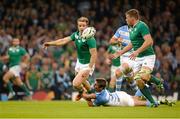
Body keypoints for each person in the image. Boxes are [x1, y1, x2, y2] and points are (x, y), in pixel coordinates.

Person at [111, 9, 163, 107]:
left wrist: (137, 51)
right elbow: (132, 44)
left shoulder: (142, 26)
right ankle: (153, 102)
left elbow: (149, 41)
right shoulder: (132, 28)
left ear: (132, 18)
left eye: (127, 18)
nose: (126, 20)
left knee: (143, 76)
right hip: (138, 58)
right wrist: (120, 52)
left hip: (147, 56)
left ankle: (158, 81)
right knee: (139, 81)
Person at [43, 17, 97, 100]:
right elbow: (63, 40)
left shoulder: (90, 38)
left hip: (87, 64)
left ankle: (83, 93)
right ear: (77, 26)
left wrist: (89, 68)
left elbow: (94, 54)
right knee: (81, 81)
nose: (81, 27)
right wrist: (50, 43)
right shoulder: (76, 35)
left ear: (87, 26)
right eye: (80, 25)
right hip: (79, 62)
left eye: (83, 25)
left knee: (75, 84)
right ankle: (90, 93)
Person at [82, 78, 171, 107]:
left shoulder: (101, 98)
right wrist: (85, 95)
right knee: (136, 97)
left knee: (143, 103)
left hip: (123, 101)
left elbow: (90, 102)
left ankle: (159, 102)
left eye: (96, 85)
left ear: (101, 87)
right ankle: (149, 84)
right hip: (120, 94)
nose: (94, 85)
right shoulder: (103, 91)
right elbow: (89, 97)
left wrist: (82, 93)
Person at [109, 25, 138, 92]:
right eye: (126, 18)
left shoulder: (139, 30)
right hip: (123, 59)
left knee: (118, 73)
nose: (127, 19)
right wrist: (117, 41)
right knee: (130, 79)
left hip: (132, 58)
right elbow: (111, 41)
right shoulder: (121, 29)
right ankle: (140, 95)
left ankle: (117, 95)